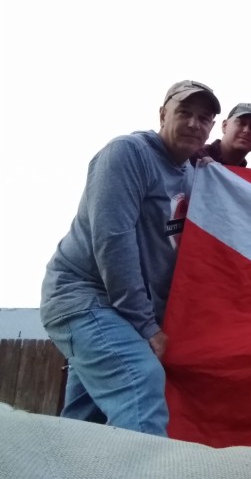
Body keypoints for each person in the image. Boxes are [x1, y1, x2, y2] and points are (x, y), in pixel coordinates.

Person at [39, 80, 221, 436]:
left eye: (204, 118)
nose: (193, 123)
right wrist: (147, 326)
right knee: (142, 381)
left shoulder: (191, 173)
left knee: (82, 426)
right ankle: (146, 465)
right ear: (162, 114)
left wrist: (217, 176)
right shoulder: (127, 154)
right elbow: (114, 244)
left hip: (120, 312)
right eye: (184, 112)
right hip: (84, 298)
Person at [191, 102, 251, 167]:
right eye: (241, 123)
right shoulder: (192, 158)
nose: (247, 130)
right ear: (225, 125)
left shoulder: (247, 177)